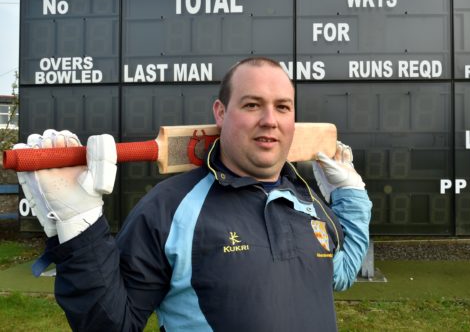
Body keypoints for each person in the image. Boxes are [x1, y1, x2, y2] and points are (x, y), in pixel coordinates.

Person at [15, 57, 372, 331]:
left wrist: (351, 195)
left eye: (283, 106)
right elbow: (111, 324)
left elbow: (338, 274)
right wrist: (79, 225)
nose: (270, 119)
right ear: (220, 112)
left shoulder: (308, 201)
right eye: (252, 105)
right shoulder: (169, 208)